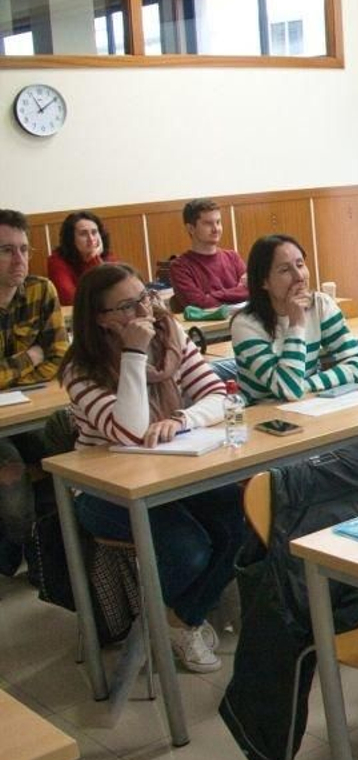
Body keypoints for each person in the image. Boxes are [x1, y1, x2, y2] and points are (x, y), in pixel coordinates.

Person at [60, 263, 243, 673]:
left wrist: (181, 419)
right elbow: (128, 430)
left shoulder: (171, 335)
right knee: (189, 550)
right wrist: (133, 353)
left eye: (144, 296)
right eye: (127, 306)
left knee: (245, 518)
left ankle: (179, 619)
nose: (145, 311)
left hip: (172, 471)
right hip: (104, 490)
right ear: (101, 319)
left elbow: (218, 395)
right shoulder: (80, 369)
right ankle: (176, 621)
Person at [0, 210, 72, 582]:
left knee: (70, 456)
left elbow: (58, 359)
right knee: (13, 485)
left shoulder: (41, 290)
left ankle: (48, 558)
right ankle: (15, 551)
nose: (19, 259)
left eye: (24, 249)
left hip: (31, 409)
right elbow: (43, 357)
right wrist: (30, 357)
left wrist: (11, 372)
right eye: (6, 250)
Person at [230, 234, 358, 403]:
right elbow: (288, 389)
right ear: (263, 282)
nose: (299, 276)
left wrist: (306, 385)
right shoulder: (245, 325)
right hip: (260, 413)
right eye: (285, 270)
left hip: (307, 404)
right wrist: (296, 324)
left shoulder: (320, 305)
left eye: (300, 265)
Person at [169, 198, 247, 310]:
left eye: (218, 222)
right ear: (191, 228)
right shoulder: (179, 267)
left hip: (241, 319)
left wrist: (212, 296)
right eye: (208, 224)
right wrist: (236, 293)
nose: (216, 229)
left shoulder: (233, 257)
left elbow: (253, 291)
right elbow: (199, 304)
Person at [47, 210, 115, 305]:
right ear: (71, 239)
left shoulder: (107, 257)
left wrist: (94, 258)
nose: (91, 239)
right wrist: (92, 260)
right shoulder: (56, 261)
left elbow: (115, 294)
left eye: (94, 232)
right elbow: (70, 299)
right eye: (83, 234)